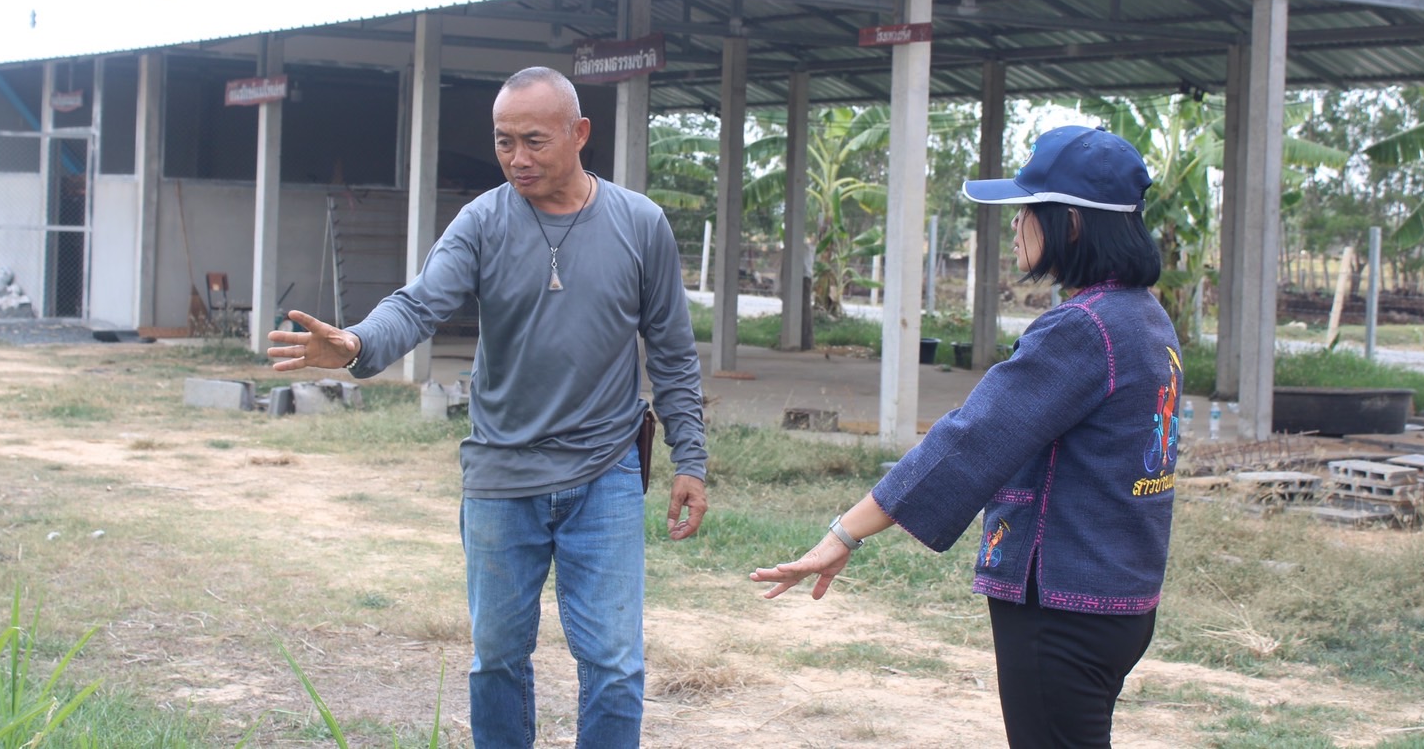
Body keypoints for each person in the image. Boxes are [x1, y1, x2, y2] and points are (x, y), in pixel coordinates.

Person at [269, 66, 708, 748]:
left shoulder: (639, 224)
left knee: (616, 665)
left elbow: (673, 353)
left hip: (606, 473)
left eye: (534, 141)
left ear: (579, 133)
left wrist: (691, 459)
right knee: (497, 659)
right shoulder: (482, 222)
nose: (517, 158)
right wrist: (357, 342)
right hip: (502, 476)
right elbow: (419, 304)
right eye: (504, 142)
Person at [751, 124, 1182, 748]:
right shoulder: (1144, 316)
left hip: (1061, 604)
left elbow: (970, 440)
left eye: (1027, 209)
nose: (1016, 224)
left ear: (1072, 224)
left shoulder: (1083, 328)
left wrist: (844, 534)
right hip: (1118, 597)